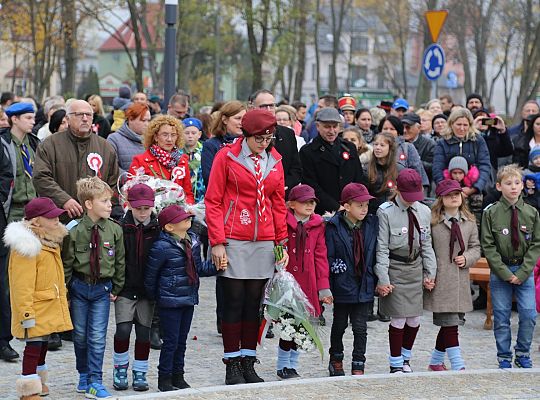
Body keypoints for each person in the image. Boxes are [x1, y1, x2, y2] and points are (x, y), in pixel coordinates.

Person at [205, 109, 288, 385]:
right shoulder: (226, 156)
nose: (264, 144)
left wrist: (281, 241)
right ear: (246, 135)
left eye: (268, 139)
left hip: (264, 239)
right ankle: (232, 363)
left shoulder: (274, 159)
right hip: (234, 237)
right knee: (234, 301)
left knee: (254, 304)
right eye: (259, 139)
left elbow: (277, 202)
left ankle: (249, 360)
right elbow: (213, 201)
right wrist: (217, 242)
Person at [145, 204, 222, 391]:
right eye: (183, 218)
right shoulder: (161, 246)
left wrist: (217, 267)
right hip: (169, 301)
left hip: (188, 298)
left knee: (181, 341)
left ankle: (178, 376)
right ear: (169, 227)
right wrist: (155, 298)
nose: (188, 219)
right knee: (170, 342)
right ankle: (164, 379)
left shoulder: (193, 242)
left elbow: (199, 268)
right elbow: (150, 276)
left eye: (188, 217)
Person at [62, 176, 125, 399]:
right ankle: (84, 374)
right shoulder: (74, 230)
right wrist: (66, 292)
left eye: (110, 201)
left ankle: (95, 381)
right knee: (79, 335)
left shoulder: (115, 230)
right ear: (89, 204)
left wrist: (117, 287)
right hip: (79, 287)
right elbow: (67, 262)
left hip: (102, 290)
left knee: (97, 336)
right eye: (105, 201)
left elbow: (119, 261)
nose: (110, 205)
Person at [4, 198, 72, 399]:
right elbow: (21, 284)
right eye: (50, 217)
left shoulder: (49, 240)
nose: (56, 219)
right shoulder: (27, 246)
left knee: (42, 345)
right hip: (35, 306)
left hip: (48, 304)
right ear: (36, 221)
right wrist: (26, 312)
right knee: (33, 347)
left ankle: (39, 382)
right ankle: (28, 388)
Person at [374, 169, 437, 373]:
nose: (412, 201)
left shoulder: (424, 211)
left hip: (415, 268)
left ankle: (406, 357)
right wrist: (383, 278)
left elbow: (427, 245)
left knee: (414, 318)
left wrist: (430, 273)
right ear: (398, 190)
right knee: (399, 318)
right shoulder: (386, 212)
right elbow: (382, 248)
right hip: (395, 268)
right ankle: (395, 362)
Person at [481, 164, 540, 369]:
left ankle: (522, 352)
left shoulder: (531, 213)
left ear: (522, 186)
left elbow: (536, 244)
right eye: (508, 183)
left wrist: (523, 272)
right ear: (499, 186)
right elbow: (488, 245)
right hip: (501, 272)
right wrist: (505, 273)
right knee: (502, 316)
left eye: (517, 183)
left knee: (529, 314)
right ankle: (504, 356)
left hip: (524, 271)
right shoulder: (491, 213)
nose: (513, 187)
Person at [424, 180, 481, 371]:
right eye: (449, 194)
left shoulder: (469, 222)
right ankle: (458, 364)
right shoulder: (433, 222)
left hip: (461, 280)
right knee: (450, 323)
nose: (454, 197)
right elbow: (427, 250)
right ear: (441, 198)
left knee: (452, 322)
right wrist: (428, 275)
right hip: (441, 280)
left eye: (457, 193)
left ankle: (435, 361)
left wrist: (467, 258)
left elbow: (476, 248)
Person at [276, 184, 332, 379]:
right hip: (287, 282)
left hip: (308, 283)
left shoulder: (317, 225)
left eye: (312, 201)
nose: (309, 205)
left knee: (303, 325)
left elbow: (320, 256)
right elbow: (277, 246)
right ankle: (282, 364)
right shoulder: (282, 221)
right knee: (287, 324)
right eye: (304, 202)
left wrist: (323, 287)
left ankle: (293, 363)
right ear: (291, 204)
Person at [33, 99, 121, 221]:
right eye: (79, 114)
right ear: (68, 119)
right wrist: (64, 200)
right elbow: (41, 178)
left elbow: (113, 184)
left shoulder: (106, 148)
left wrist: (98, 206)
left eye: (89, 115)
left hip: (95, 222)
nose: (85, 118)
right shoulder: (49, 145)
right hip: (59, 220)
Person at [112, 184, 160, 392]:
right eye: (138, 208)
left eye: (146, 209)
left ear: (152, 207)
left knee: (143, 334)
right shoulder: (120, 227)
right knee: (122, 330)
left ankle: (140, 371)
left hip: (147, 292)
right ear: (129, 205)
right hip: (125, 288)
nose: (142, 213)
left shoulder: (158, 229)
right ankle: (120, 368)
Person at [326, 183, 377, 376]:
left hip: (364, 282)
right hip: (342, 284)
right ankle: (336, 359)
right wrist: (330, 282)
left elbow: (376, 252)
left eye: (366, 205)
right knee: (339, 325)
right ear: (347, 206)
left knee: (360, 327)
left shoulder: (372, 224)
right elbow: (328, 256)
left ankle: (358, 362)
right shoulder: (333, 226)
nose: (364, 209)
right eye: (359, 205)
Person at [299, 107, 364, 215]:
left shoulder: (349, 147)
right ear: (318, 126)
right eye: (327, 127)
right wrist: (336, 207)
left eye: (335, 126)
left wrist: (353, 203)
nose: (332, 131)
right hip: (323, 211)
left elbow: (359, 178)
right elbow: (311, 185)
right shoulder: (308, 151)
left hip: (350, 208)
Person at [129, 115, 194, 204]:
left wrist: (186, 209)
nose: (169, 139)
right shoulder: (140, 161)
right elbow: (131, 192)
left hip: (178, 213)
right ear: (155, 137)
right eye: (165, 135)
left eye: (173, 135)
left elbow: (188, 194)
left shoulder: (182, 161)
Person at [249, 90, 302, 195]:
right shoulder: (246, 134)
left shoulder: (288, 134)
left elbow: (296, 168)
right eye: (263, 106)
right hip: (252, 195)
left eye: (272, 106)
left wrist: (284, 185)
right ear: (252, 108)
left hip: (282, 195)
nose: (268, 110)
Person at [432, 108, 492, 199]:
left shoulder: (478, 140)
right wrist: (449, 189)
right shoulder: (442, 142)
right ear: (451, 124)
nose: (462, 128)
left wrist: (475, 188)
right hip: (448, 191)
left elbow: (485, 165)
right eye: (458, 124)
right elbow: (437, 168)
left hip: (474, 191)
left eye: (465, 125)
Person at [201, 101, 247, 188]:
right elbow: (209, 178)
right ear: (225, 119)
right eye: (238, 118)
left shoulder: (249, 144)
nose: (241, 122)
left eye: (244, 118)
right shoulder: (211, 145)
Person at [378, 115, 429, 188]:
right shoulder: (373, 147)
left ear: (398, 132)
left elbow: (416, 172)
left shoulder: (407, 147)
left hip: (403, 190)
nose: (388, 132)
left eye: (392, 129)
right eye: (385, 128)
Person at [107, 103, 151, 174]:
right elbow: (111, 167)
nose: (147, 124)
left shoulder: (152, 140)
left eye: (148, 120)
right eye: (143, 120)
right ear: (131, 119)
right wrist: (129, 178)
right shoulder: (114, 139)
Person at [402, 113, 435, 185]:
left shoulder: (429, 144)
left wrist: (415, 161)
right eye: (402, 127)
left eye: (408, 127)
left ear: (419, 128)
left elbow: (433, 167)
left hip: (421, 185)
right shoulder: (398, 144)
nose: (404, 130)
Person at [181, 118, 205, 203]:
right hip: (182, 196)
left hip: (202, 195)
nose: (190, 136)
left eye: (193, 133)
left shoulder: (205, 151)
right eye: (187, 133)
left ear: (199, 134)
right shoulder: (176, 153)